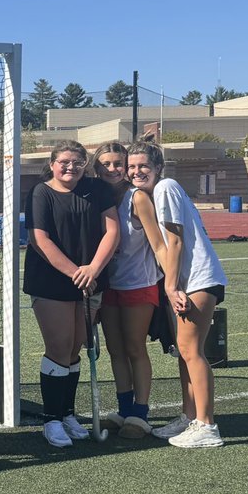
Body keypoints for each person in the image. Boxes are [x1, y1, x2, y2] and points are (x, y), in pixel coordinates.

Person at [127, 142, 228, 449]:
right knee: (183, 353)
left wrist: (171, 288)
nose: (136, 171)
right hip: (188, 280)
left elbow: (176, 242)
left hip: (197, 279)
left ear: (158, 167)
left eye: (143, 165)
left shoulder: (166, 188)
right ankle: (189, 416)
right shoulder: (157, 192)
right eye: (131, 167)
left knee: (191, 350)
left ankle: (207, 425)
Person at [23, 140, 120, 448]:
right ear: (52, 164)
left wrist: (93, 269)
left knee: (75, 347)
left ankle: (67, 414)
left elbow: (112, 231)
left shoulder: (96, 189)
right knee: (59, 346)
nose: (70, 167)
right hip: (52, 281)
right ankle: (51, 419)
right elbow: (39, 239)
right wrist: (76, 273)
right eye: (64, 161)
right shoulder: (41, 193)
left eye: (78, 163)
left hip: (89, 280)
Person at [89, 143, 166, 439]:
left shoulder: (137, 198)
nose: (112, 169)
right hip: (109, 286)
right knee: (115, 349)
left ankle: (140, 412)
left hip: (139, 283)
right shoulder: (98, 197)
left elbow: (159, 244)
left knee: (135, 347)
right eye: (105, 164)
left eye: (117, 163)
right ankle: (124, 408)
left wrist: (171, 284)